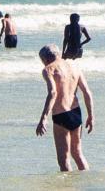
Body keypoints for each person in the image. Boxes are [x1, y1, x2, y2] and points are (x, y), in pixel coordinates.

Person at [35, 44, 94, 172]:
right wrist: (91, 116)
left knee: (64, 160)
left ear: (45, 60)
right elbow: (87, 93)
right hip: (76, 113)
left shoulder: (48, 69)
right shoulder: (74, 66)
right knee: (77, 154)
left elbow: (53, 93)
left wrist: (43, 118)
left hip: (61, 115)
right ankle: (87, 181)